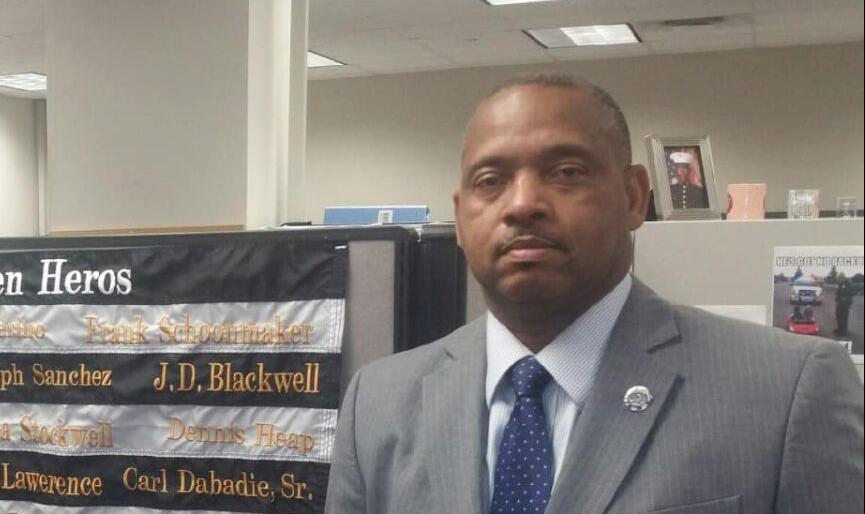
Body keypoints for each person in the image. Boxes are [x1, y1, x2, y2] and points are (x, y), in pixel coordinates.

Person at [325, 75, 863, 514]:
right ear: (461, 219)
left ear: (633, 197)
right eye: (491, 180)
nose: (522, 204)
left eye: (566, 172)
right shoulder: (379, 403)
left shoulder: (787, 390)